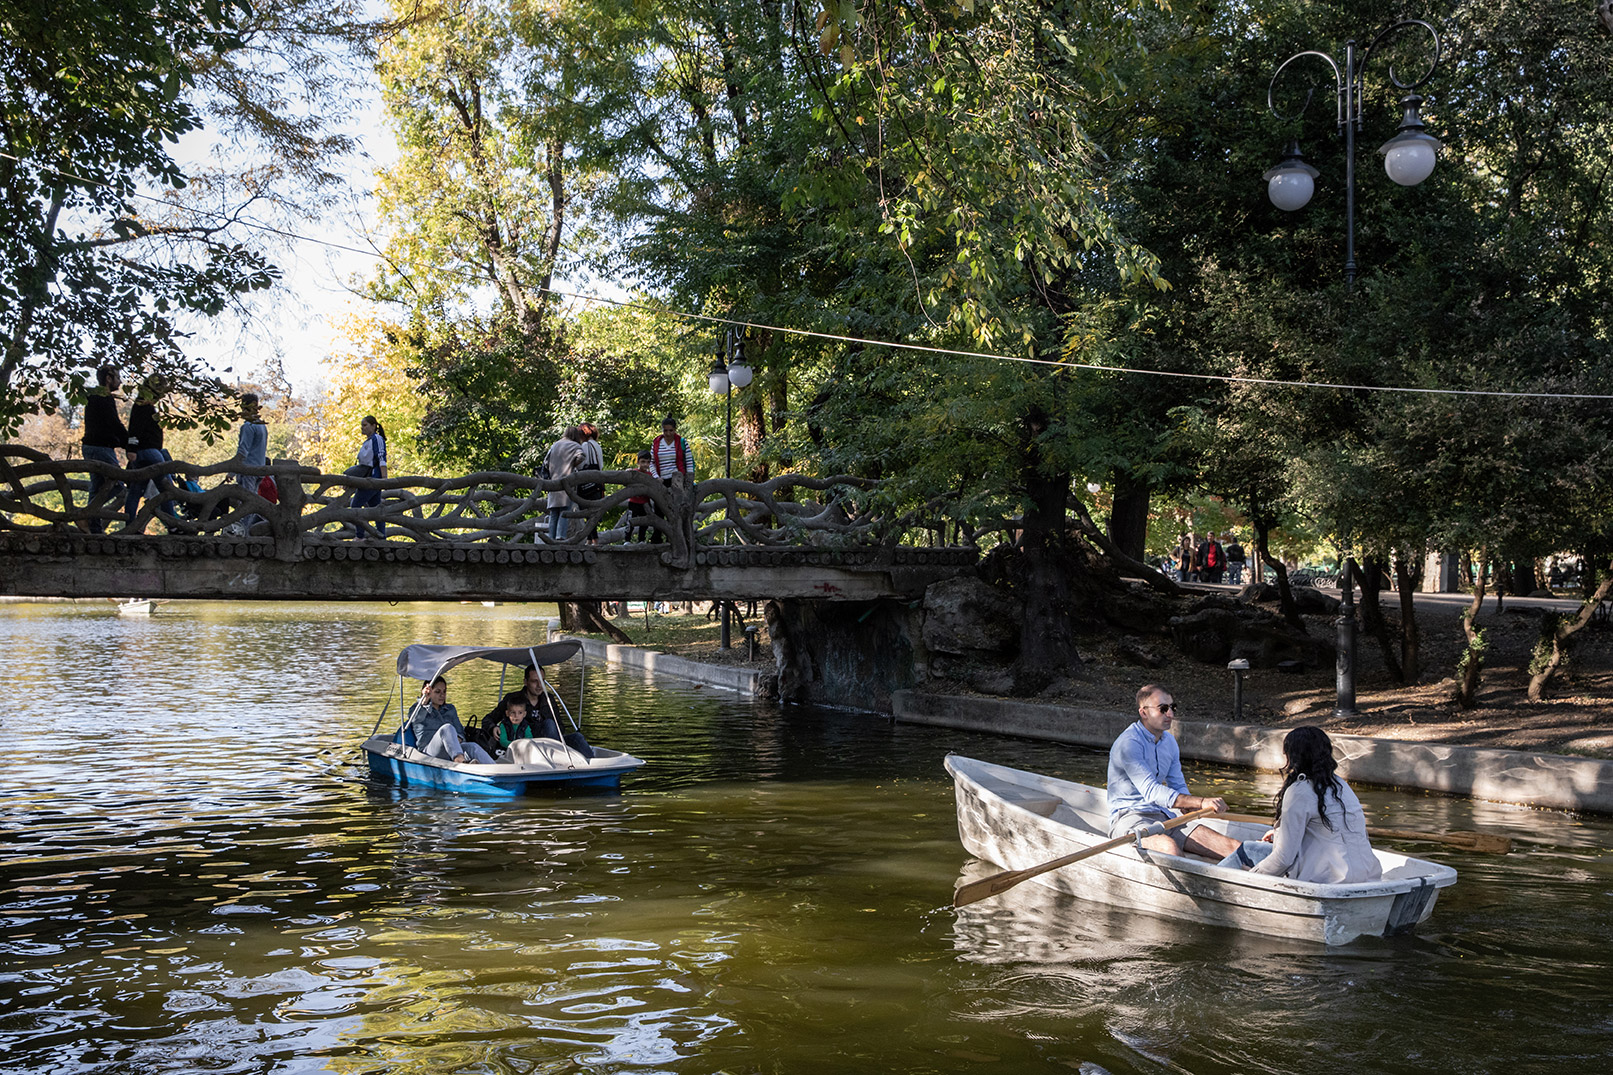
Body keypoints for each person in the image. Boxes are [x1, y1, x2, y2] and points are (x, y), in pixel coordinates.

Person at [1218, 726, 1382, 884]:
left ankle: (1213, 884)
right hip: (1367, 875)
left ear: (1293, 757)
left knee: (1246, 850)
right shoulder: (1341, 785)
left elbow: (1284, 858)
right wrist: (1280, 835)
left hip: (1327, 880)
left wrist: (1252, 876)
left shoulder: (1299, 791)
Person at [1107, 684, 1241, 860]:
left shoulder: (1169, 741)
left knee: (1234, 848)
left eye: (1172, 707)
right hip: (1130, 817)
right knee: (1170, 848)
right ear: (1144, 712)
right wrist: (1200, 802)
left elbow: (1177, 785)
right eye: (1163, 709)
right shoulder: (1129, 743)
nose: (1170, 714)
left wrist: (1188, 805)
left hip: (1165, 817)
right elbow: (1152, 792)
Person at [486, 663, 593, 758]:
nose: (539, 686)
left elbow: (560, 727)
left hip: (551, 741)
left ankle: (594, 765)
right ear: (525, 682)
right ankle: (559, 760)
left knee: (576, 737)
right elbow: (488, 719)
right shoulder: (513, 699)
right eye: (534, 681)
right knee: (549, 723)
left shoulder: (548, 699)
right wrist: (493, 727)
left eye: (542, 681)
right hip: (527, 743)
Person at [123, 374, 177, 531]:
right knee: (166, 487)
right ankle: (173, 525)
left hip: (144, 451)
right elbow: (135, 428)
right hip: (149, 452)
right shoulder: (143, 406)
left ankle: (131, 525)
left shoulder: (144, 405)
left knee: (135, 490)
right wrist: (131, 449)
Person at [80, 364, 129, 533]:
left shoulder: (94, 397)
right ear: (109, 378)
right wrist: (129, 443)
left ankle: (93, 528)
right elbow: (114, 423)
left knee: (97, 489)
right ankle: (85, 515)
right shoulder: (103, 398)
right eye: (117, 377)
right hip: (101, 448)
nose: (120, 381)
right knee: (117, 486)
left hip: (92, 447)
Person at [408, 676, 494, 764]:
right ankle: (460, 761)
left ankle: (496, 770)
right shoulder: (417, 708)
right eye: (437, 692)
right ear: (428, 693)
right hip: (430, 752)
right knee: (447, 728)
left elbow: (460, 732)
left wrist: (458, 738)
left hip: (452, 749)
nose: (442, 695)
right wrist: (424, 701)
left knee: (472, 746)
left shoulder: (450, 709)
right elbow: (415, 718)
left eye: (444, 691)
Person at [648, 416, 690, 545]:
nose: (668, 433)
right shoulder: (656, 443)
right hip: (661, 480)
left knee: (675, 510)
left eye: (670, 430)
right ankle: (657, 538)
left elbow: (688, 461)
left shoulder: (682, 442)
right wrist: (656, 477)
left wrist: (687, 478)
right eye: (665, 431)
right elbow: (651, 462)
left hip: (676, 480)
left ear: (675, 430)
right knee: (659, 508)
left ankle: (675, 537)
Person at [544, 426, 585, 542]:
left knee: (553, 513)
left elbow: (546, 462)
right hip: (567, 483)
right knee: (564, 511)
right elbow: (582, 457)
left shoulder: (555, 445)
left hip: (553, 482)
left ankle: (550, 537)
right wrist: (574, 464)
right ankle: (560, 537)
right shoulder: (575, 446)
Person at [348, 415, 388, 536]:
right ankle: (381, 536)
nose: (362, 428)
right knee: (375, 508)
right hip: (366, 477)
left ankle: (360, 535)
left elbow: (381, 458)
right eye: (362, 426)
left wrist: (384, 479)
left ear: (373, 426)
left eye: (365, 425)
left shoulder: (377, 439)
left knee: (355, 505)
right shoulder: (368, 441)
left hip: (373, 478)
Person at [576, 422, 605, 543]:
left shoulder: (585, 446)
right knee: (593, 512)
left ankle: (594, 539)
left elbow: (582, 464)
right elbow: (601, 465)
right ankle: (590, 539)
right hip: (598, 482)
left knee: (588, 512)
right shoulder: (597, 445)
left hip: (587, 482)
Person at [625, 449, 654, 542]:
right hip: (633, 502)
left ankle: (641, 540)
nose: (645, 464)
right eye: (643, 462)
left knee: (644, 523)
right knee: (630, 522)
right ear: (638, 462)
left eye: (648, 462)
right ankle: (627, 540)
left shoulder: (650, 475)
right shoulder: (634, 472)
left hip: (645, 502)